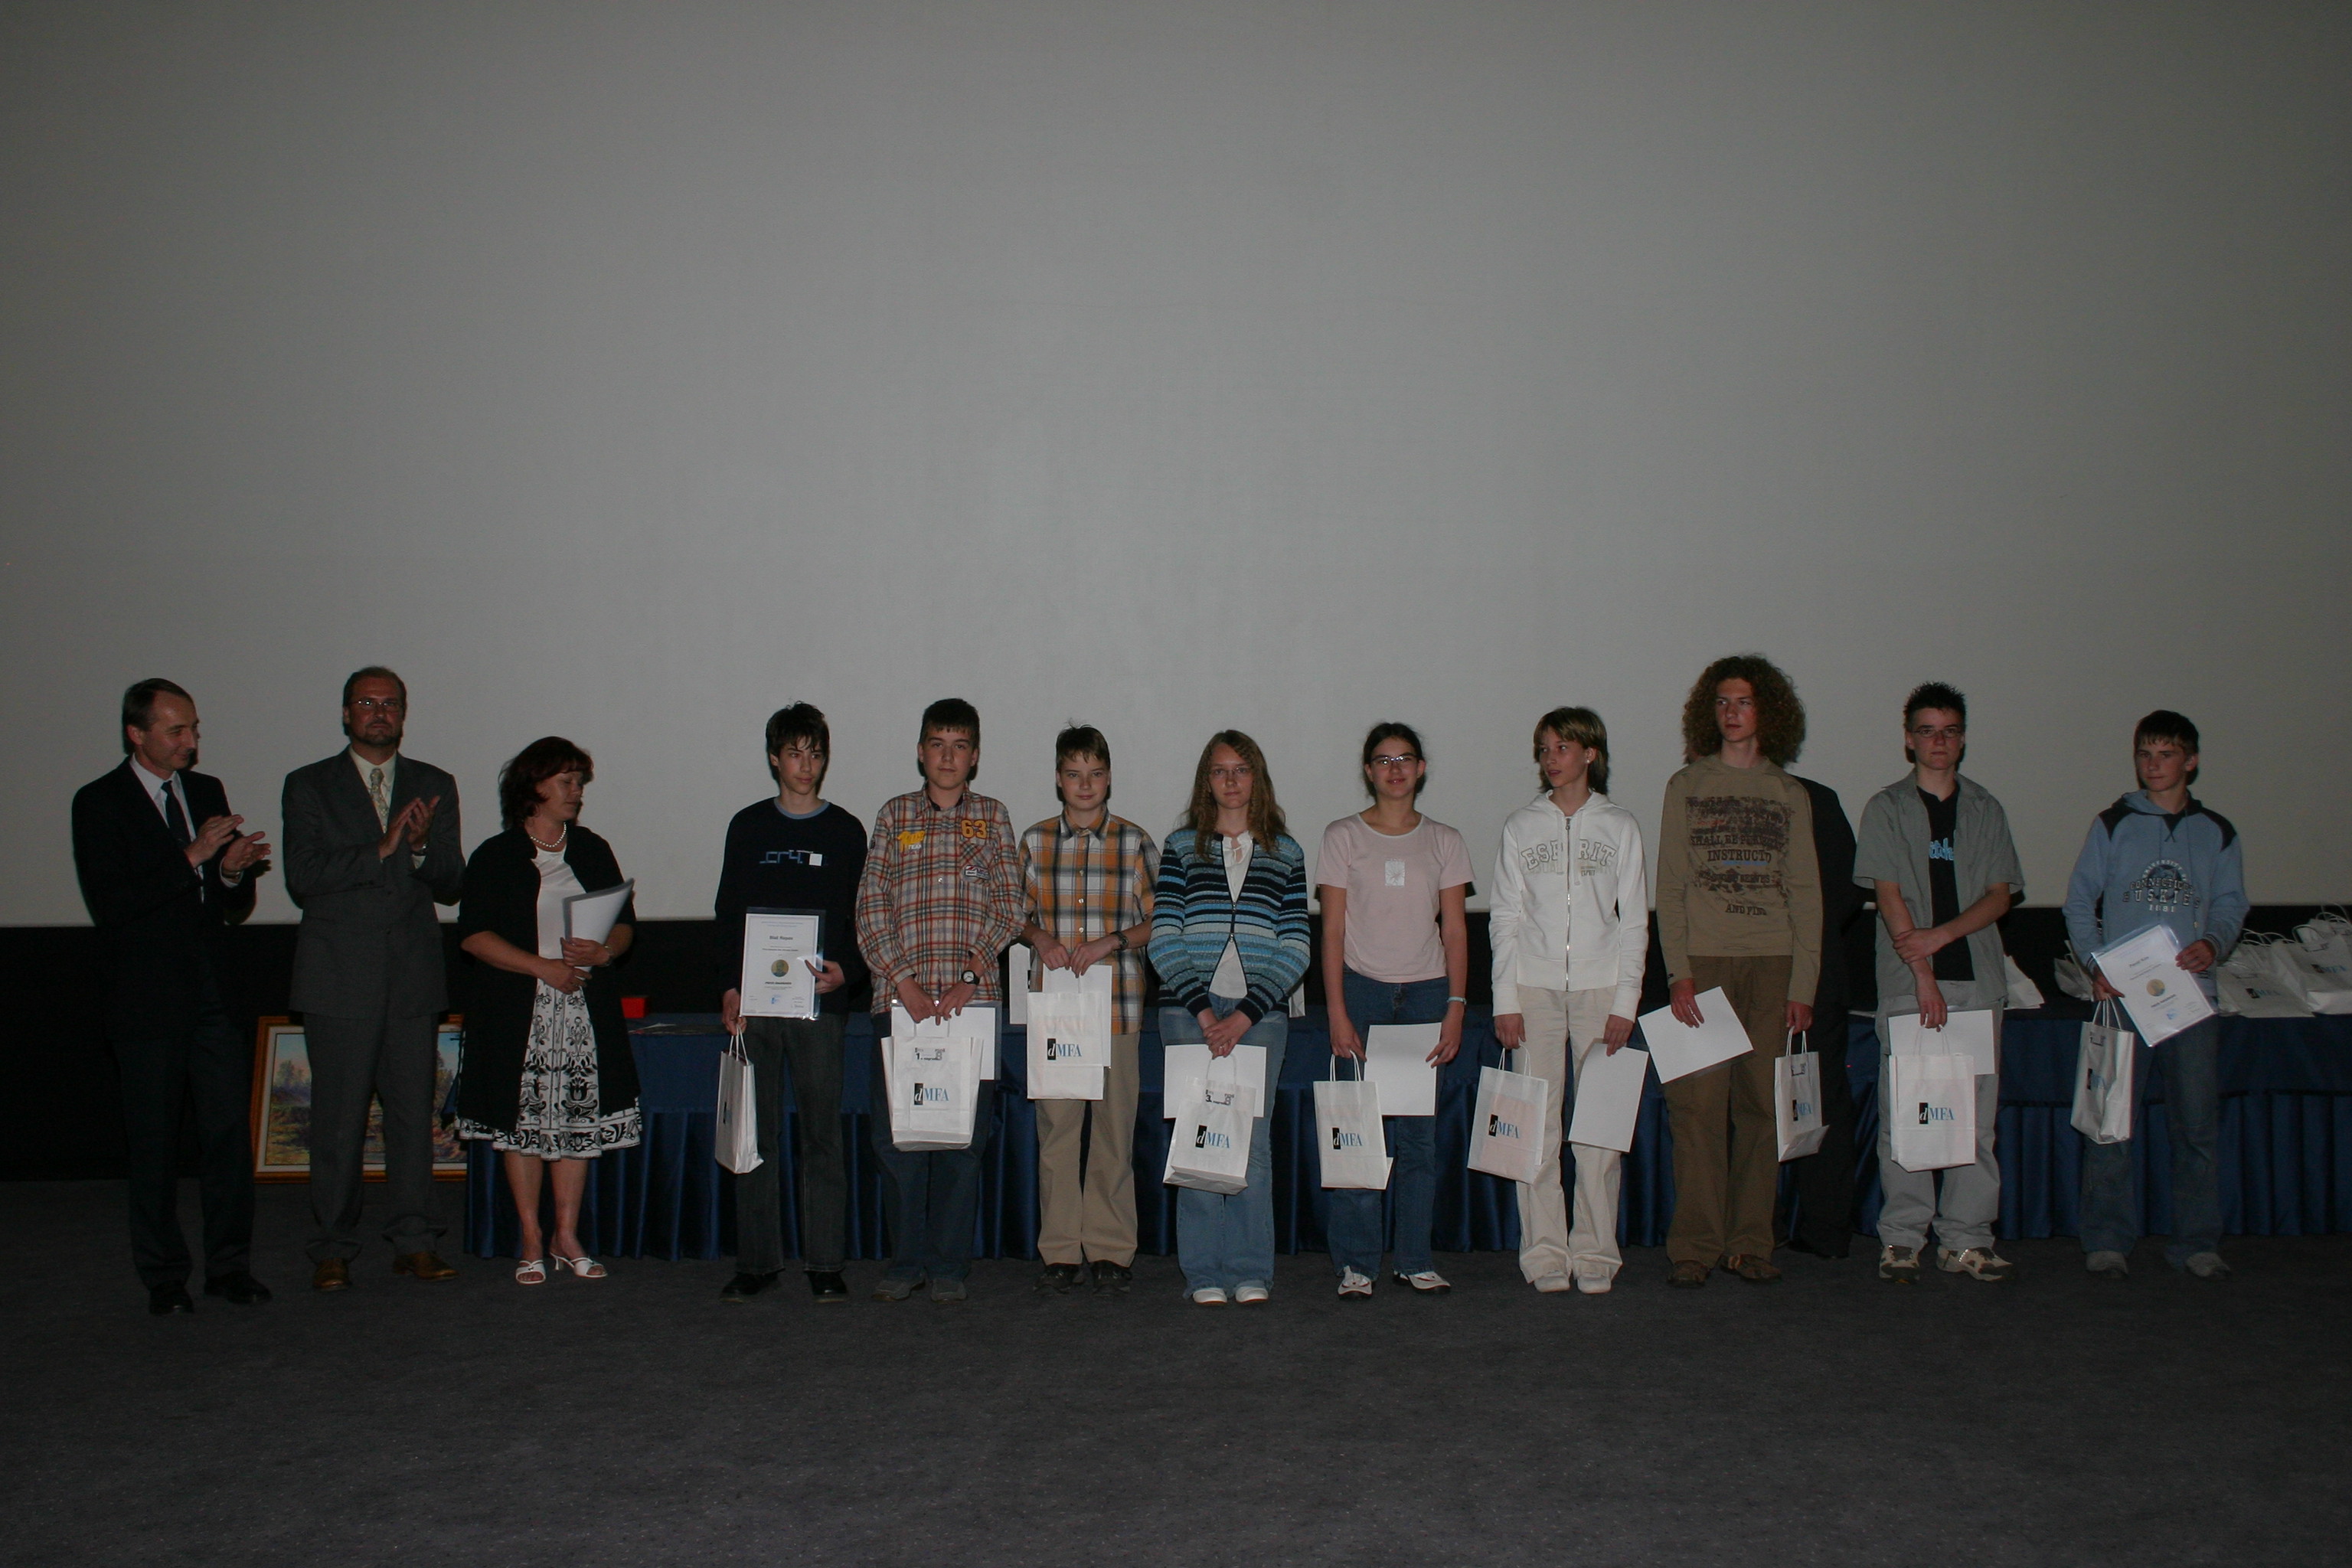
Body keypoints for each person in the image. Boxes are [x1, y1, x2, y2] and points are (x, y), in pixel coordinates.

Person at [72, 679, 273, 1315]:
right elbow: (113, 903)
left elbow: (227, 901)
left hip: (213, 992)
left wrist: (233, 870)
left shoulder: (206, 790)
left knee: (227, 1138)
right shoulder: (99, 802)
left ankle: (229, 1268)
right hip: (146, 1001)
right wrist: (193, 855)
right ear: (137, 734)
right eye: (176, 730)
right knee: (155, 1144)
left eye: (193, 728)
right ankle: (164, 1278)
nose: (190, 741)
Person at [279, 667, 465, 1292]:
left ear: (403, 715)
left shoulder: (433, 784)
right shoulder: (308, 784)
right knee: (339, 1120)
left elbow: (452, 880)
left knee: (413, 1116)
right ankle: (333, 1245)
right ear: (346, 713)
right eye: (367, 703)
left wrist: (420, 849)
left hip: (412, 977)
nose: (379, 713)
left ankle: (415, 1241)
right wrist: (382, 848)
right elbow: (303, 876)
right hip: (338, 977)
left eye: (390, 704)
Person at [1655, 655, 1822, 1288]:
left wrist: (1803, 986)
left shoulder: (1788, 793)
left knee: (1761, 1110)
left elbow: (1806, 894)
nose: (1732, 712)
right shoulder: (1686, 785)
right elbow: (1670, 887)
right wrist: (1678, 972)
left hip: (1773, 964)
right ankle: (1695, 1246)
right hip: (1704, 963)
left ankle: (1750, 1243)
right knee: (1697, 1111)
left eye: (1744, 701)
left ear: (1767, 711)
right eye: (1722, 702)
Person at [2063, 710, 2247, 1282]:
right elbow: (2078, 902)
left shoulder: (2217, 831)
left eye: (2166, 754)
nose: (2154, 764)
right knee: (2111, 1124)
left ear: (2191, 761)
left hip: (2190, 1001)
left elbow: (2231, 903)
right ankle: (2107, 1241)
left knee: (2196, 1129)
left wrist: (2213, 944)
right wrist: (2095, 963)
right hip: (2122, 1000)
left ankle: (2196, 1243)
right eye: (2145, 754)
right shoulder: (2112, 824)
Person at [1853, 683, 2026, 1283]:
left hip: (1977, 983)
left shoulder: (1985, 808)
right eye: (1927, 731)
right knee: (1909, 1116)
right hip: (1909, 987)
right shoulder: (1886, 808)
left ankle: (1967, 1240)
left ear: (1962, 739)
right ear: (1909, 740)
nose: (1938, 742)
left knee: (1974, 1122)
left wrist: (1941, 937)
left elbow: (2000, 896)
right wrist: (1923, 972)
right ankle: (1903, 1239)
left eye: (1949, 731)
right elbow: (1890, 896)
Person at [854, 699, 1025, 1303]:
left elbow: (1012, 907)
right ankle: (905, 1264)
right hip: (897, 1002)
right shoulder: (893, 814)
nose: (948, 756)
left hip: (970, 1008)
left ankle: (949, 1266)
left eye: (960, 746)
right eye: (937, 744)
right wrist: (903, 980)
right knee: (899, 1141)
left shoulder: (993, 817)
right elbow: (869, 906)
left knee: (962, 1141)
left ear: (974, 756)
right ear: (920, 752)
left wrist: (971, 975)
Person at [452, 737, 641, 1285]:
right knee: (525, 1125)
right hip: (519, 1011)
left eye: (580, 781)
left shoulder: (592, 848)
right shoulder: (496, 854)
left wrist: (605, 952)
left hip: (582, 1010)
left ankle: (566, 1234)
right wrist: (542, 967)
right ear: (534, 786)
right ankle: (531, 1238)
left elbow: (624, 922)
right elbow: (474, 936)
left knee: (577, 1121)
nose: (577, 791)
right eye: (567, 781)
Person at [1488, 707, 1648, 1295]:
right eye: (1544, 749)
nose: (1551, 758)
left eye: (1562, 747)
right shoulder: (1520, 825)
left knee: (1600, 1130)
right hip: (1532, 988)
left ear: (1590, 753)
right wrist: (1504, 997)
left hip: (1601, 990)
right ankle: (1544, 1252)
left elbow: (1635, 922)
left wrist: (1625, 1002)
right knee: (1535, 1125)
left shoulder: (1620, 826)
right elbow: (1504, 917)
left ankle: (1597, 1252)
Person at [714, 703, 868, 1305]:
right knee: (755, 1135)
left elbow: (864, 918)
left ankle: (825, 1263)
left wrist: (847, 971)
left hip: (820, 1007)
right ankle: (757, 1263)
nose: (806, 765)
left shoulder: (845, 831)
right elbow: (728, 914)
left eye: (816, 754)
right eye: (795, 753)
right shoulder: (748, 826)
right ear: (775, 759)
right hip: (755, 1006)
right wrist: (730, 986)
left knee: (822, 1137)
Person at [1150, 731, 1311, 1306]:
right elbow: (1163, 938)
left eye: (1241, 769)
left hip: (1259, 1016)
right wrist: (1202, 1010)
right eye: (1220, 771)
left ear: (1257, 777)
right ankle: (1202, 1274)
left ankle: (1249, 1271)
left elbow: (1296, 945)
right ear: (1206, 781)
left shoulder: (1286, 852)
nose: (1231, 780)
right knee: (1197, 1136)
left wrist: (1244, 1015)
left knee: (1253, 1145)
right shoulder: (1180, 846)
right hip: (1186, 1013)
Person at [1318, 723, 1472, 1299]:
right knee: (1359, 1133)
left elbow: (1455, 931)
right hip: (1362, 994)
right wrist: (1336, 1011)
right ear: (1368, 771)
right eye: (1383, 760)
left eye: (1405, 759)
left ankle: (1414, 1259)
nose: (1395, 769)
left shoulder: (1445, 840)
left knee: (1418, 1140)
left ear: (1421, 768)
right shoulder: (1342, 836)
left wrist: (1456, 1006)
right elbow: (1332, 933)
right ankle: (1357, 1264)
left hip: (1428, 996)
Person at [1020, 724, 1158, 1297]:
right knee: (1057, 1133)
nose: (1085, 785)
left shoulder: (1134, 842)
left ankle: (1109, 1248)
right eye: (1074, 775)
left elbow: (1162, 920)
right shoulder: (1034, 841)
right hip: (1057, 1011)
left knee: (1113, 1133)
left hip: (1118, 1009)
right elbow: (1013, 913)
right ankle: (1059, 1250)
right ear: (1059, 779)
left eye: (1095, 774)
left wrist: (1113, 942)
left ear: (1108, 778)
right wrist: (1038, 937)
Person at [1783, 768, 1864, 1260]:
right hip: (1745, 977)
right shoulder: (1715, 796)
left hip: (1815, 980)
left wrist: (1796, 946)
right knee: (1750, 1107)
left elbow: (1848, 891)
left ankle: (1826, 1228)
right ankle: (1755, 1228)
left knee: (1821, 1100)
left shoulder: (1818, 801)